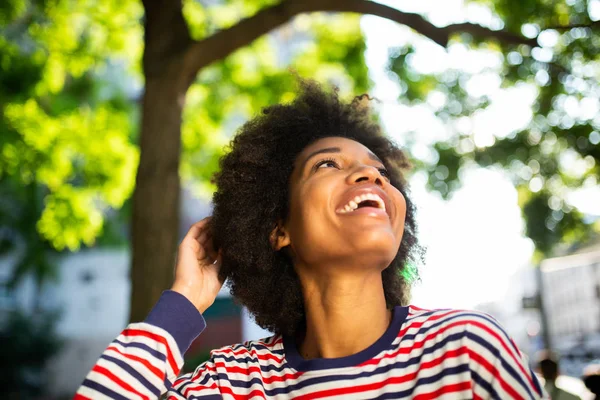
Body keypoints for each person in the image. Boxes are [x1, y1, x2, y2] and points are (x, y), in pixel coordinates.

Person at [75, 79, 544, 399]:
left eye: (380, 172)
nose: (370, 175)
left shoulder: (464, 351)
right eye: (327, 164)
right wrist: (183, 303)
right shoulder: (233, 383)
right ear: (278, 228)